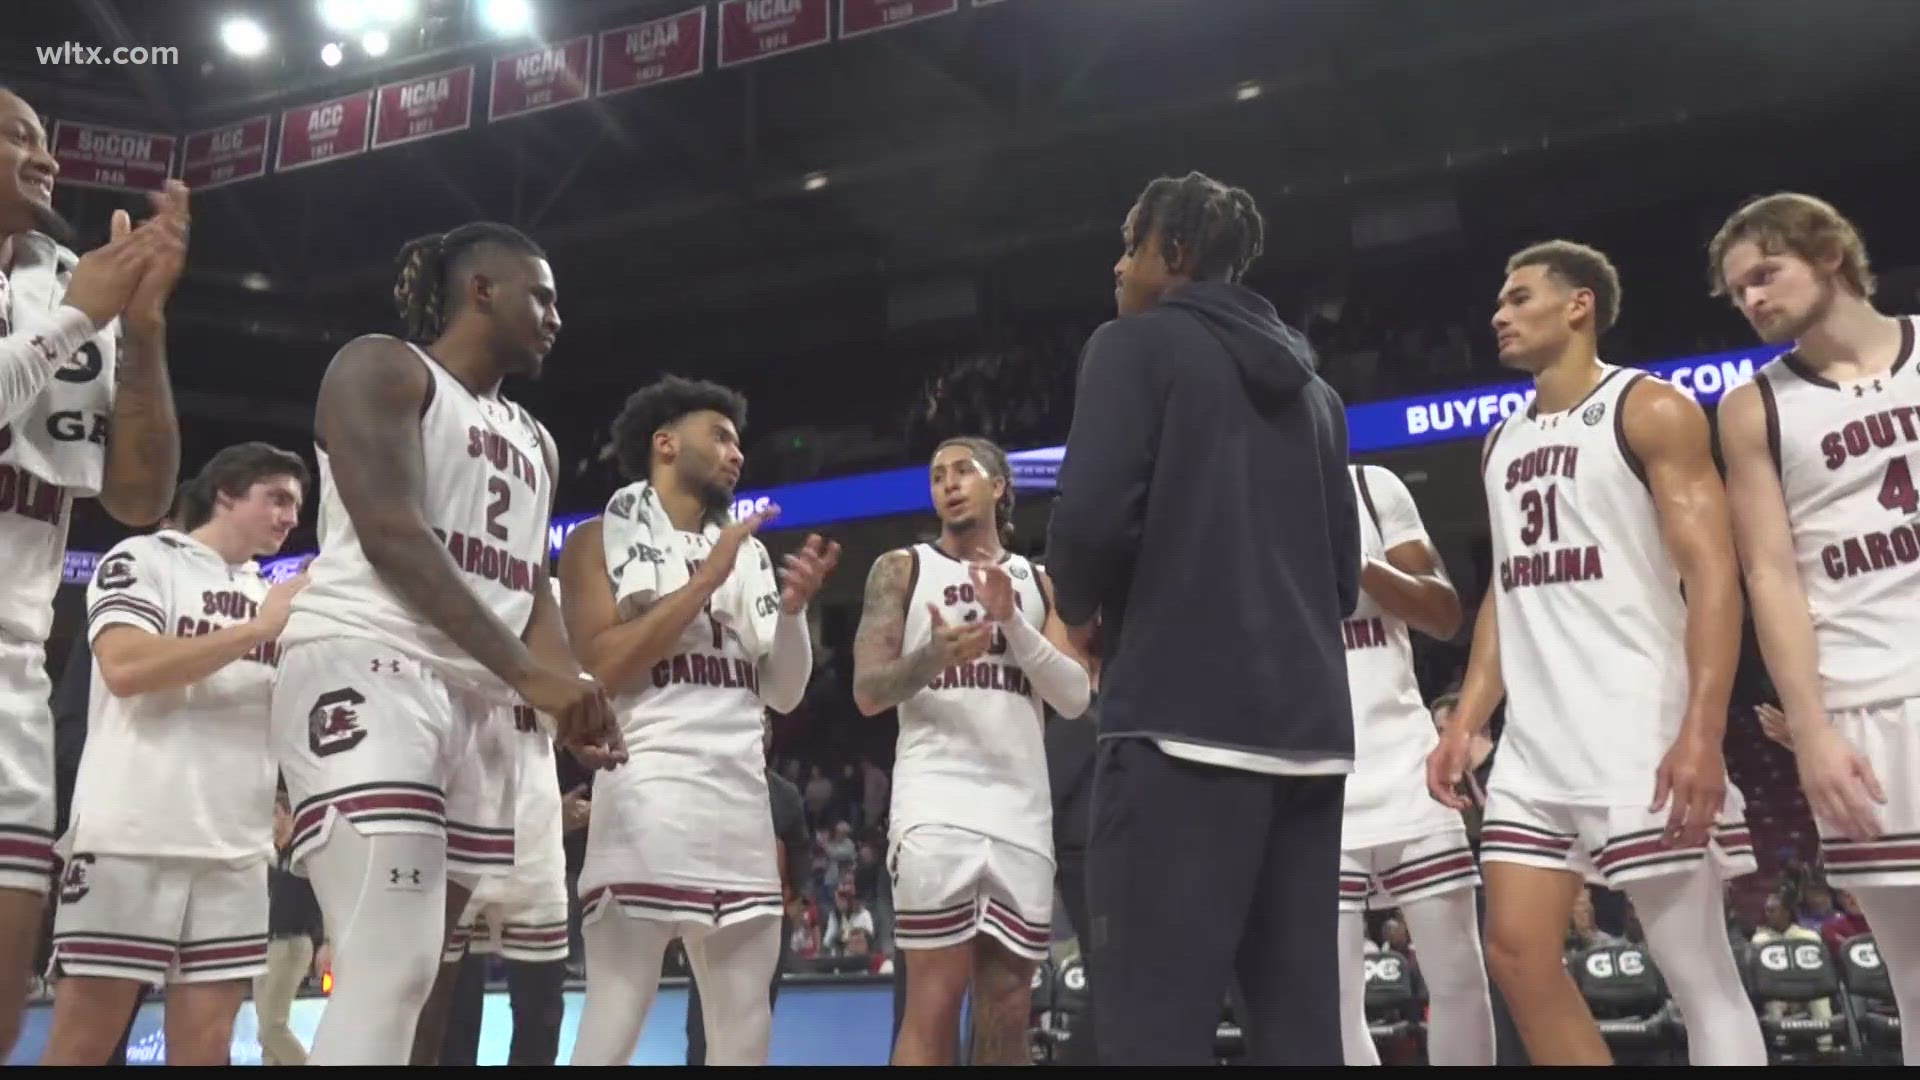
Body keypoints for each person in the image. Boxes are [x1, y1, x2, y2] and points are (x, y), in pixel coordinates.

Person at [267, 221, 617, 1065]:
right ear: (481, 289)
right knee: (386, 970)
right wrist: (532, 674)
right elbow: (393, 533)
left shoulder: (538, 440)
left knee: (420, 978)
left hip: (475, 700)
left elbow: (527, 581)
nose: (556, 315)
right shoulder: (383, 366)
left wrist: (566, 684)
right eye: (542, 295)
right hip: (366, 662)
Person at [1044, 171, 1357, 1066]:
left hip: (1176, 731)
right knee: (1301, 1033)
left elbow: (1091, 515)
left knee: (1151, 1028)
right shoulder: (1319, 396)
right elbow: (1341, 580)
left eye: (1129, 243)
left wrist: (1078, 607)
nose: (1117, 264)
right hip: (1310, 740)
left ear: (1171, 255)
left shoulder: (1131, 347)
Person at [1427, 240, 1764, 1066]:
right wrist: (1467, 719)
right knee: (1515, 954)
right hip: (1537, 745)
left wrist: (1702, 729)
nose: (1499, 315)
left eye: (1518, 298)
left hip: (1634, 725)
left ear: (1579, 305)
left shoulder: (1649, 408)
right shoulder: (1498, 441)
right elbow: (1507, 593)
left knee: (1696, 973)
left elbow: (1715, 576)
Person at [561, 375, 837, 1066]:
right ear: (665, 444)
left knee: (743, 1042)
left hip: (741, 807)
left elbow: (783, 694)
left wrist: (796, 613)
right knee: (612, 1031)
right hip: (647, 798)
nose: (736, 454)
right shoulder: (595, 540)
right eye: (720, 436)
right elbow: (607, 668)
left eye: (739, 442)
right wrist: (706, 579)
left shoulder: (745, 554)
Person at [1711, 191, 1920, 1064]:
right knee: (1912, 981)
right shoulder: (1752, 405)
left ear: (1830, 253)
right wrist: (1811, 731)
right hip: (1866, 702)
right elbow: (1769, 575)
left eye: (1767, 274)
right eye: (1739, 291)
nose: (1753, 300)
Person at [0, 87, 186, 1057]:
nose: (46, 158)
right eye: (15, 136)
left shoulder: (73, 281)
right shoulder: (74, 302)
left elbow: (140, 499)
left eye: (44, 139)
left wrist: (142, 329)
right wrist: (76, 321)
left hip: (15, 670)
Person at [43, 443, 309, 1064]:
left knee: (208, 1049)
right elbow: (126, 667)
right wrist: (256, 632)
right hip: (133, 837)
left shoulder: (267, 593)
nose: (291, 517)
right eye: (277, 497)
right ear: (225, 492)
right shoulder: (142, 557)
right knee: (83, 1044)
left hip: (236, 850)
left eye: (297, 505)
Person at [853, 436, 1090, 1066]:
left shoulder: (1037, 581)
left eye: (963, 471)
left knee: (1010, 1005)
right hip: (936, 801)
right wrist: (932, 655)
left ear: (999, 486)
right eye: (936, 476)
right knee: (933, 1001)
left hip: (1020, 809)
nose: (948, 484)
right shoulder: (901, 568)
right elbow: (868, 692)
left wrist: (1012, 621)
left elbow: (1073, 696)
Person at [1334, 463, 1494, 1066]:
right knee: (1335, 1005)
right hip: (1312, 776)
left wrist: (1356, 561)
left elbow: (1445, 613)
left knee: (1460, 982)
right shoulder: (1233, 498)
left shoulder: (1371, 488)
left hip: (1403, 764)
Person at [432, 700, 573, 1067]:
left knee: (542, 1021)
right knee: (444, 1026)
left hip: (534, 841)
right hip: (450, 836)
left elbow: (575, 714)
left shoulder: (551, 647)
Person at [686, 714, 812, 1066]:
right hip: (715, 912)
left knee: (755, 1017)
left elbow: (800, 848)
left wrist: (797, 899)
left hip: (770, 914)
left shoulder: (784, 794)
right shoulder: (708, 786)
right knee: (704, 1019)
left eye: (766, 728)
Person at [257, 788, 325, 1067]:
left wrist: (325, 942)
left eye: (274, 813)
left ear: (289, 815)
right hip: (266, 946)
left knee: (272, 1028)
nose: (268, 821)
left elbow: (325, 900)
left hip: (293, 943)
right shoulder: (272, 856)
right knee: (266, 1034)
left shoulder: (304, 854)